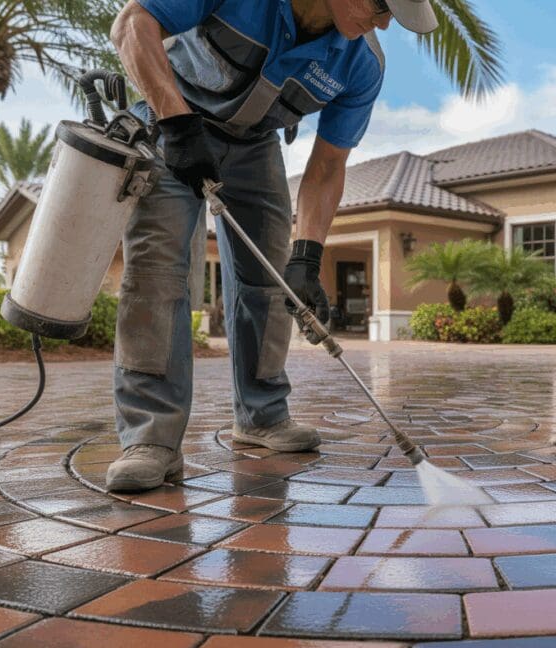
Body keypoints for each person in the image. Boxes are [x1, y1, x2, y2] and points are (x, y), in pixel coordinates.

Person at [104, 0, 438, 491]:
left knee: (267, 281)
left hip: (255, 144)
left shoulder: (361, 65)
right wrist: (175, 123)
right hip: (174, 119)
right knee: (160, 272)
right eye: (380, 5)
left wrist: (307, 255)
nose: (384, 22)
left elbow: (326, 168)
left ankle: (261, 417)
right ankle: (150, 437)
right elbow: (132, 24)